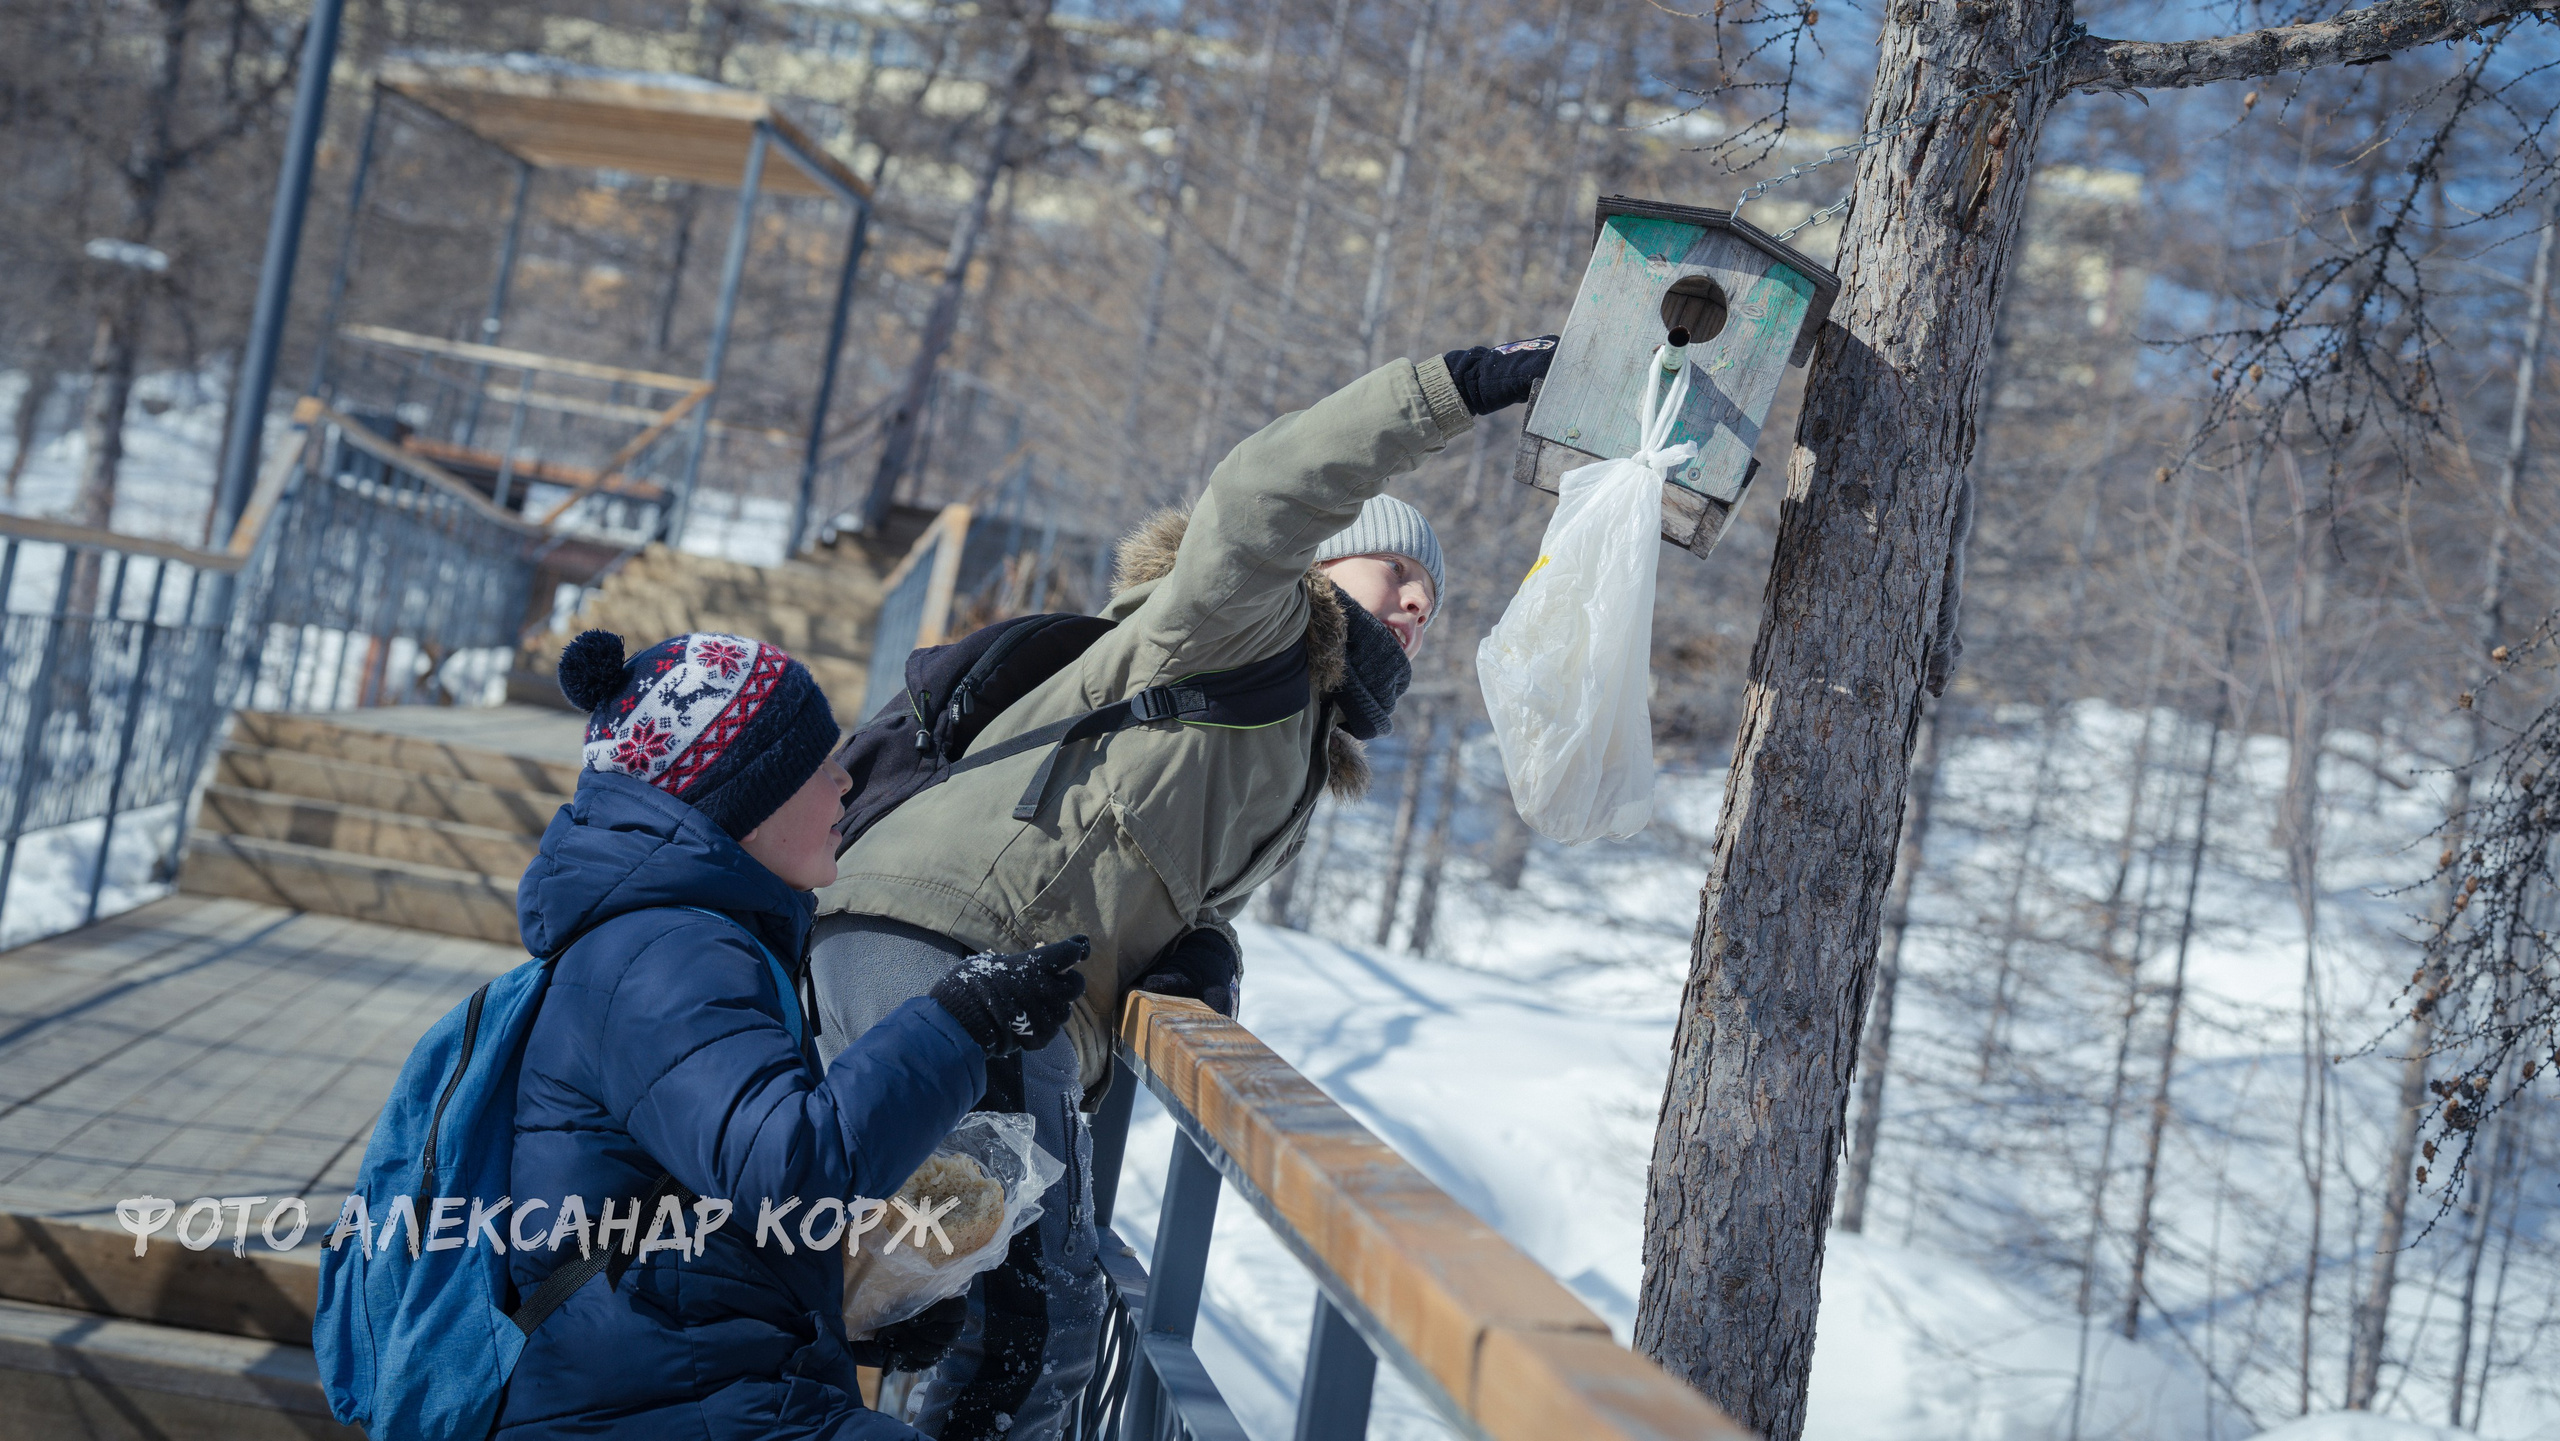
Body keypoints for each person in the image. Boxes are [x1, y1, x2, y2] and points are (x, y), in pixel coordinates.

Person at [805, 337, 1558, 1439]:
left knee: (936, 1296)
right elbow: (1264, 488)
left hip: (1011, 981)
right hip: (954, 942)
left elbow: (1141, 849)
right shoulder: (1238, 617)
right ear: (1326, 563)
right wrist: (1457, 386)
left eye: (1430, 599)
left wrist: (1199, 945)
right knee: (1036, 1321)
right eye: (1397, 573)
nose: (1414, 606)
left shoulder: (1298, 739)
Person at [494, 629, 1092, 1441]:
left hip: (677, 1384)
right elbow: (791, 1167)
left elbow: (709, 1206)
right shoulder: (667, 958)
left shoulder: (686, 937)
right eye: (816, 765)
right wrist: (960, 1020)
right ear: (745, 798)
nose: (846, 778)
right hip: (649, 1406)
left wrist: (853, 1315)